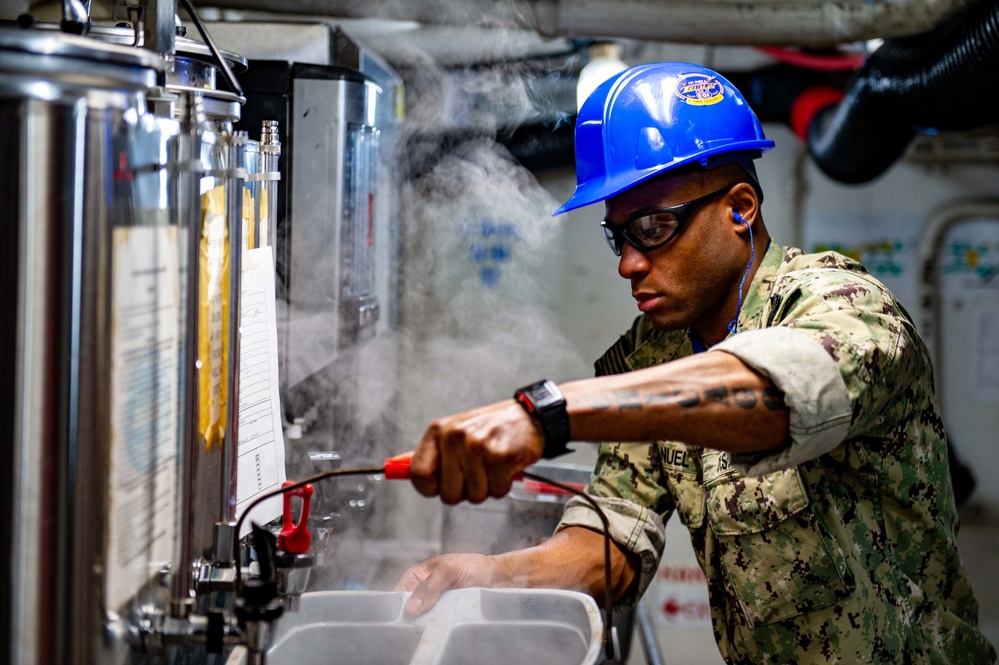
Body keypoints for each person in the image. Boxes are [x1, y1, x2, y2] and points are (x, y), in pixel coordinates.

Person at [394, 62, 997, 663]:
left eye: (653, 227)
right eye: (618, 237)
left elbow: (776, 393)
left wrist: (547, 413)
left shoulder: (847, 307)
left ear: (740, 208)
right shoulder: (653, 354)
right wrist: (487, 574)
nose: (629, 263)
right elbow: (613, 545)